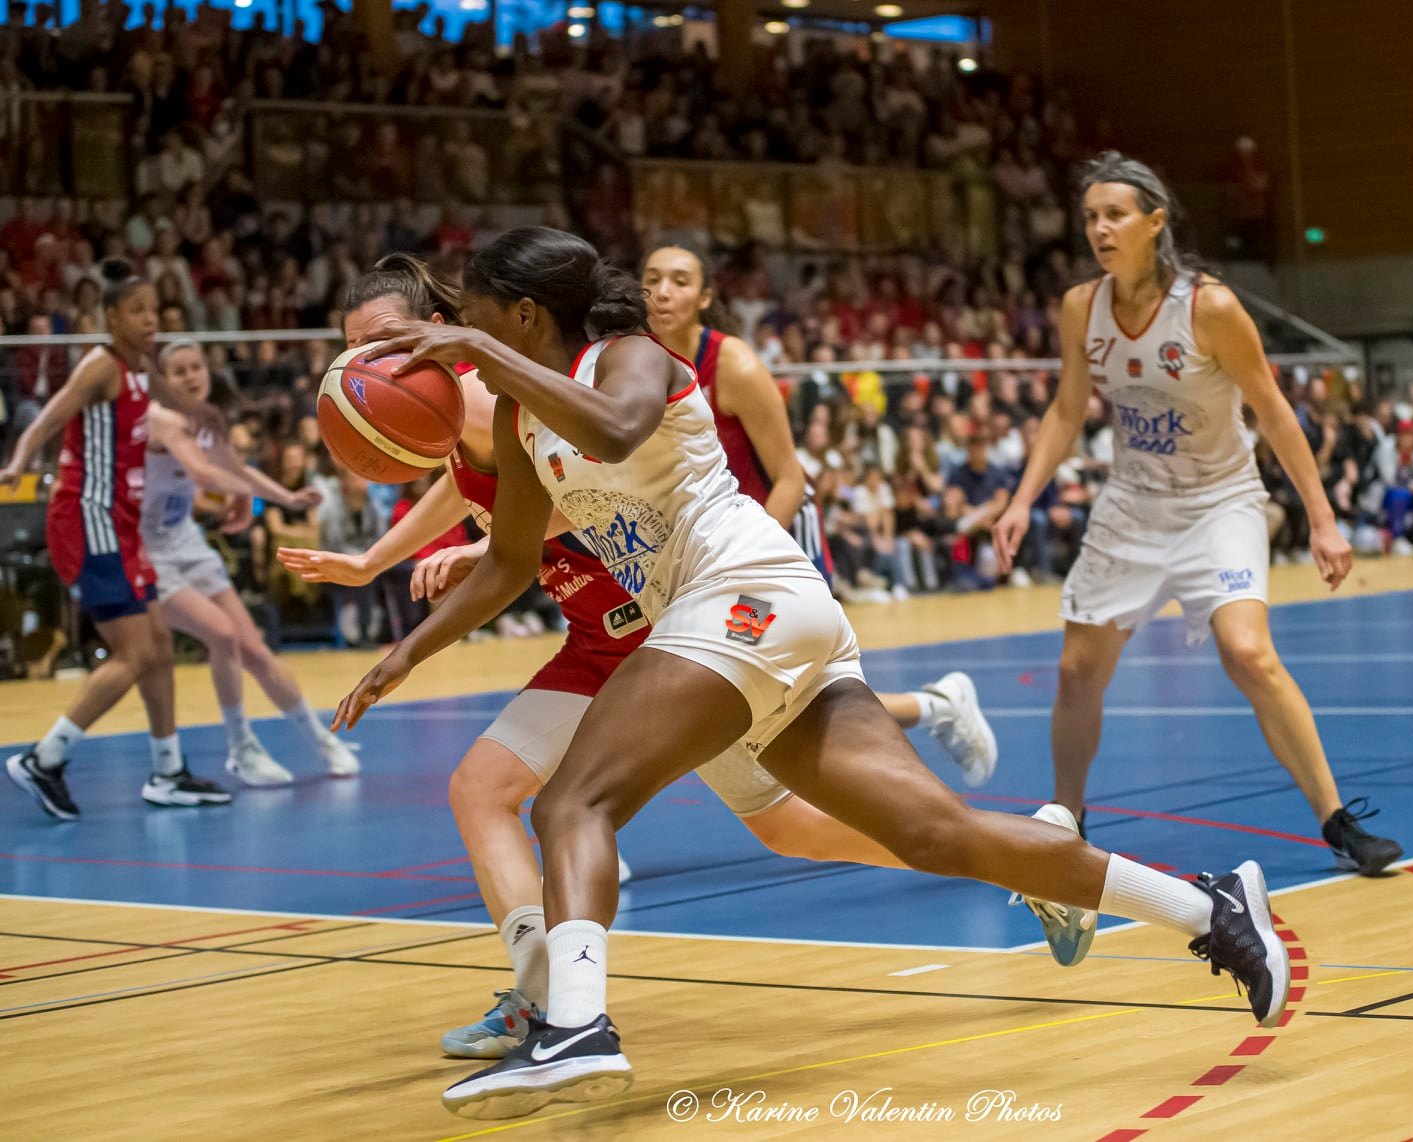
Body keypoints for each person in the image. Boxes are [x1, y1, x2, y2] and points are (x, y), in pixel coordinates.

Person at [337, 228, 1290, 1118]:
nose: (462, 339)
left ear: (524, 316)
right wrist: (404, 654)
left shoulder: (628, 358)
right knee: (935, 833)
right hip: (758, 618)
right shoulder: (518, 415)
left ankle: (574, 1025)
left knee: (572, 804)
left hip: (742, 591)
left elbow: (619, 430)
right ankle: (1208, 908)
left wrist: (477, 350)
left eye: (477, 319)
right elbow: (508, 561)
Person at [280, 256, 940, 1063]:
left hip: (659, 629)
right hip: (594, 636)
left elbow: (576, 491)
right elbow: (465, 486)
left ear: (439, 327)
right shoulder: (458, 410)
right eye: (354, 347)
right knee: (487, 789)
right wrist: (375, 560)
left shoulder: (491, 397)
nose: (368, 361)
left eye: (384, 339)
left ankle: (977, 850)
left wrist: (483, 550)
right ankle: (540, 990)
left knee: (776, 825)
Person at [992, 153, 1401, 964]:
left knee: (1249, 653)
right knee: (1076, 671)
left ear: (1156, 222)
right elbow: (1068, 409)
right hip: (1133, 506)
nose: (1100, 229)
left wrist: (1322, 519)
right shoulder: (1081, 307)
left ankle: (1336, 821)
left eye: (1115, 214)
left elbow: (1274, 412)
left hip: (1220, 503)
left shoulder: (1208, 307)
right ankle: (1066, 824)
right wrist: (1020, 498)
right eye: (1091, 217)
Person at [640, 244, 995, 783]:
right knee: (788, 696)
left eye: (680, 281)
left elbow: (790, 477)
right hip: (702, 548)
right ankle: (937, 707)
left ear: (705, 297)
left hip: (771, 533)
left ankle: (916, 754)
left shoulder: (733, 364)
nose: (663, 292)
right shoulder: (635, 361)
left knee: (781, 690)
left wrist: (737, 561)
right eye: (652, 279)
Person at [1, 260, 230, 818]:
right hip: (88, 519)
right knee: (133, 654)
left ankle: (168, 771)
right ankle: (45, 758)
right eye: (137, 311)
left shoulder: (140, 370)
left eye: (154, 310)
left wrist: (209, 416)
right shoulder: (100, 366)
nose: (150, 320)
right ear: (110, 318)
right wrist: (18, 462)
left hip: (119, 525)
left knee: (159, 647)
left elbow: (179, 402)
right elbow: (46, 420)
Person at [144, 340, 360, 786]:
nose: (191, 376)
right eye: (179, 371)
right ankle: (240, 746)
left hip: (186, 543)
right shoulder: (159, 419)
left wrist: (287, 498)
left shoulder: (208, 422)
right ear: (164, 382)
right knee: (222, 637)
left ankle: (321, 740)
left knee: (256, 651)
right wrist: (243, 493)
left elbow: (236, 470)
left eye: (196, 367)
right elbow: (206, 475)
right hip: (146, 553)